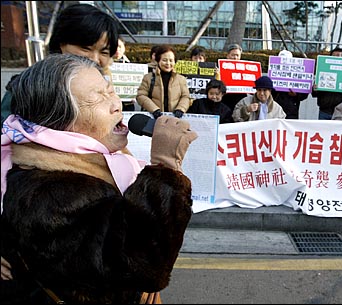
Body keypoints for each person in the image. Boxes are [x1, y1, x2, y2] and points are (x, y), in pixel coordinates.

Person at [0, 53, 198, 304]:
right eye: (98, 98)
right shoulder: (49, 193)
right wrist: (166, 166)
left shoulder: (101, 157)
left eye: (110, 91)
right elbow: (138, 268)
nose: (116, 104)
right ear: (60, 122)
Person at [1, 3, 119, 124]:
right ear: (61, 43)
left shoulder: (104, 87)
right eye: (86, 48)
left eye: (104, 52)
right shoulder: (29, 88)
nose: (94, 59)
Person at [136, 44, 191, 119]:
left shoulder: (181, 79)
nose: (168, 63)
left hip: (174, 119)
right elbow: (141, 96)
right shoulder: (148, 78)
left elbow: (186, 97)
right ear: (158, 61)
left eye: (171, 60)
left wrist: (180, 109)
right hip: (154, 118)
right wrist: (154, 109)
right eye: (164, 60)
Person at [311, 47, 342, 120]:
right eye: (334, 56)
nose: (336, 58)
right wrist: (314, 89)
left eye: (339, 55)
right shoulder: (322, 73)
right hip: (324, 111)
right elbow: (314, 94)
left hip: (340, 113)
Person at [271, 49, 309, 119]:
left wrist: (296, 95)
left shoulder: (298, 75)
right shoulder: (273, 74)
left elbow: (304, 94)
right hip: (275, 110)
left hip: (291, 111)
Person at [220, 43, 248, 113]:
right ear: (227, 56)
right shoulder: (221, 68)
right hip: (226, 99)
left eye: (237, 55)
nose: (235, 58)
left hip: (240, 99)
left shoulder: (246, 69)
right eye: (233, 55)